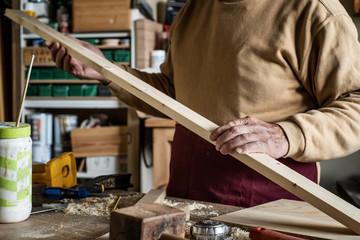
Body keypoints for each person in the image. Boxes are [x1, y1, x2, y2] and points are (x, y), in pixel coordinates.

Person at [46, 0, 360, 208]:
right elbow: (172, 93)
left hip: (269, 207)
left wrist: (284, 135)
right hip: (186, 198)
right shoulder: (192, 12)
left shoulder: (315, 12)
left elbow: (355, 104)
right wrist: (105, 70)